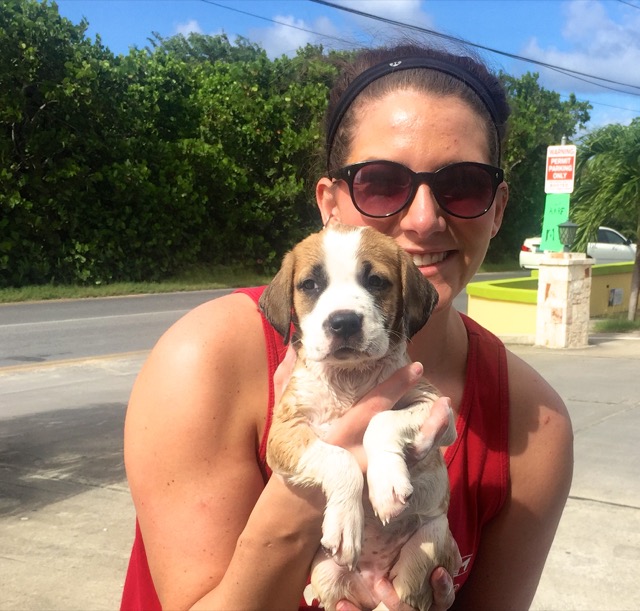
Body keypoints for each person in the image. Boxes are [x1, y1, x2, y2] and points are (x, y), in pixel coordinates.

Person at [121, 42, 573, 611]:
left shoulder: (537, 426)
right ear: (330, 201)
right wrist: (308, 500)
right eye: (381, 182)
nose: (424, 218)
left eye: (463, 186)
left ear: (499, 207)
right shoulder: (203, 361)